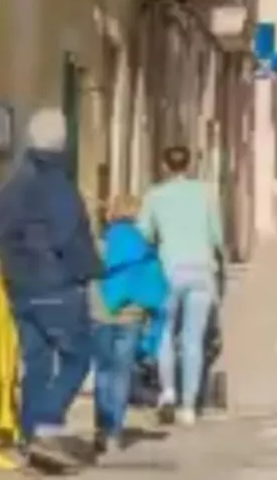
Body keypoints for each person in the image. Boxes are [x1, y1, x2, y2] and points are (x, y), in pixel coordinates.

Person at [0, 108, 102, 471]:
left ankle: (30, 442)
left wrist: (12, 279)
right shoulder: (58, 184)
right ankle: (45, 424)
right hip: (57, 285)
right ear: (63, 143)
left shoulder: (11, 186)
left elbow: (4, 239)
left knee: (36, 364)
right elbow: (70, 237)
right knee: (78, 356)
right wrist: (89, 271)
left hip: (20, 289)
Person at [138, 145, 224, 425]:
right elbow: (217, 236)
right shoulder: (205, 193)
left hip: (169, 271)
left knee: (164, 334)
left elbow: (144, 234)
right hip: (201, 271)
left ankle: (168, 391)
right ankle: (189, 406)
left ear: (165, 166)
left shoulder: (155, 196)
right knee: (193, 339)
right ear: (189, 166)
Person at [90, 194, 167, 456]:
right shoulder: (144, 247)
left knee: (102, 372)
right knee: (122, 373)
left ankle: (101, 427)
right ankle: (115, 432)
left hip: (100, 315)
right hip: (131, 317)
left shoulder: (100, 244)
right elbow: (156, 287)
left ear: (111, 213)